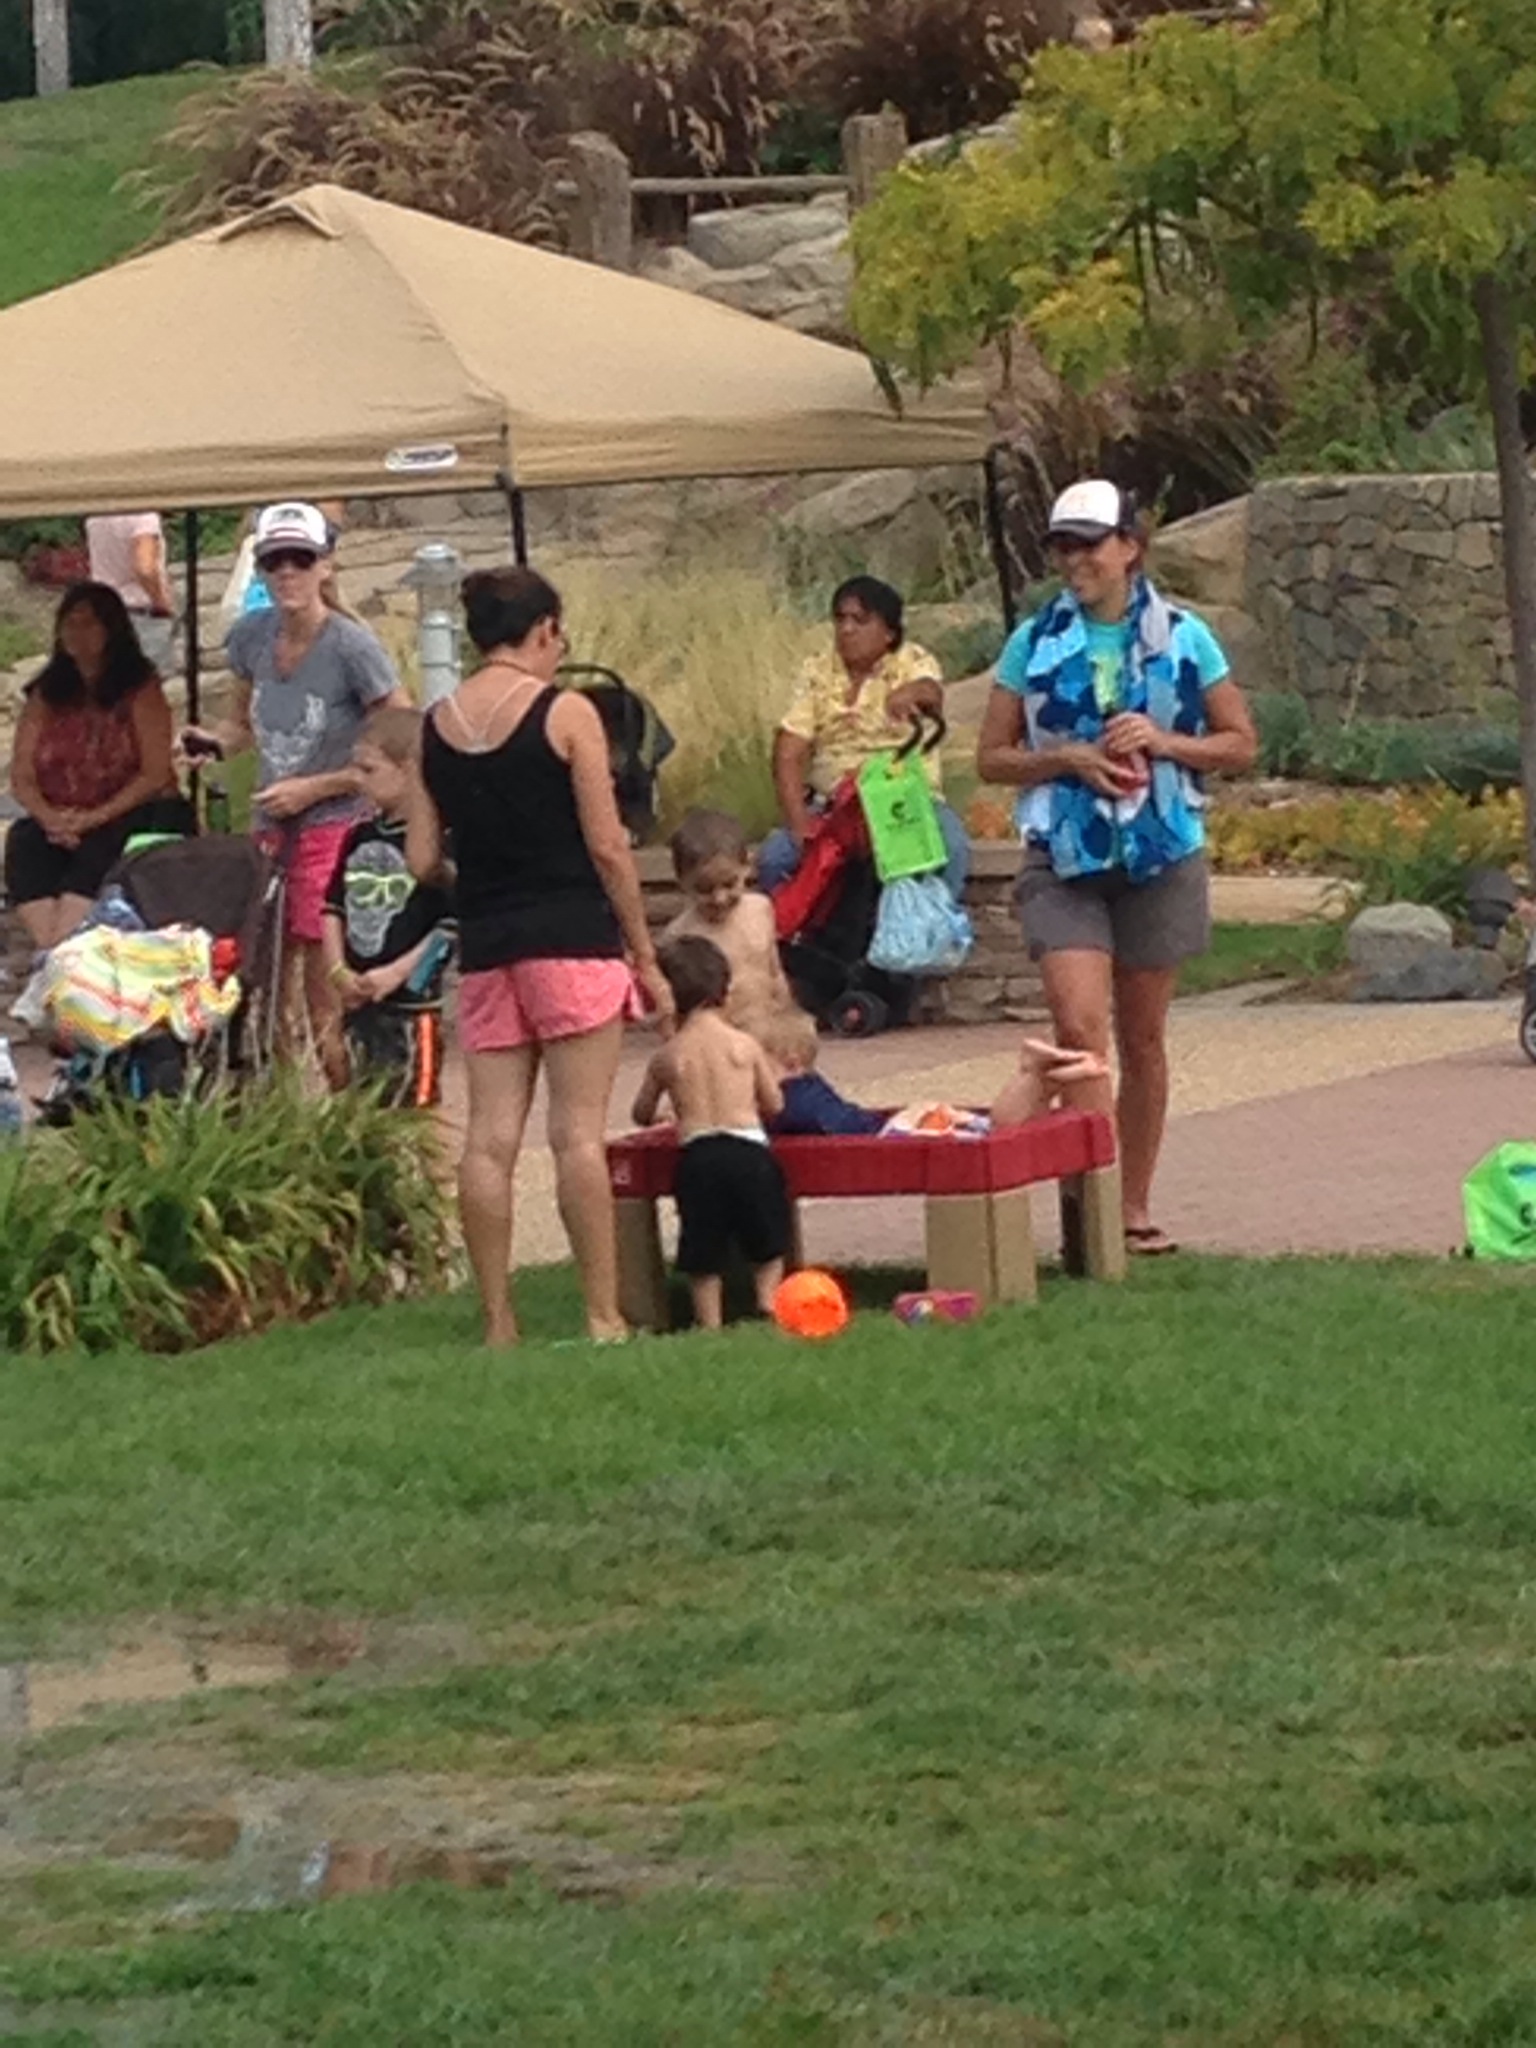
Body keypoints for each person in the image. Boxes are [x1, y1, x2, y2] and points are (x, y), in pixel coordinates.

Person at [976, 479, 1257, 1256]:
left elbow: (1240, 742)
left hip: (1160, 852)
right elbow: (991, 757)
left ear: (1130, 546)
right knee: (1079, 1030)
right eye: (1062, 546)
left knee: (1143, 1039)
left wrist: (1164, 743)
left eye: (1089, 544)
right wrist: (1065, 758)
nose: (1075, 560)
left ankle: (1130, 1206)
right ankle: (1089, 1207)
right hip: (1064, 856)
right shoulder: (1032, 642)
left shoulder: (1186, 636)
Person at [404, 565, 674, 1349]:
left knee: (489, 1139)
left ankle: (498, 1321)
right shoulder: (568, 713)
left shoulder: (435, 725)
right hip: (572, 936)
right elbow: (608, 846)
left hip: (490, 945)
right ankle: (601, 1315)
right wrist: (644, 951)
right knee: (577, 1134)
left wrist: (473, 880)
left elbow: (421, 858)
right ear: (545, 630)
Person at [181, 501, 411, 1090]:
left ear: (325, 566)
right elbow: (241, 726)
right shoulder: (252, 637)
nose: (287, 571)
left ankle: (346, 1101)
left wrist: (317, 787)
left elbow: (401, 741)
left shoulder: (352, 647)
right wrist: (211, 743)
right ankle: (288, 1107)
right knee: (267, 977)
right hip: (272, 824)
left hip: (335, 823)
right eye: (274, 560)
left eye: (300, 559)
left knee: (321, 984)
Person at [5, 582, 195, 951]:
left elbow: (154, 773)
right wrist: (50, 818)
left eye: (89, 623)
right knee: (25, 840)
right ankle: (52, 941)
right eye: (70, 623)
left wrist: (93, 818)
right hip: (63, 816)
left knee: (102, 847)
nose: (78, 633)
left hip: (130, 810)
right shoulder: (46, 692)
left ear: (111, 630)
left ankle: (64, 940)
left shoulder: (139, 688)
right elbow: (22, 775)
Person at [760, 576, 968, 902]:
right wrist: (799, 824)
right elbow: (788, 750)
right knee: (775, 859)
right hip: (835, 804)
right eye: (840, 619)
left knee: (951, 847)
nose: (846, 629)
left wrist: (911, 693)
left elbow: (931, 692)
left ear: (889, 633)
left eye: (860, 620)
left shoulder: (912, 660)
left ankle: (933, 927)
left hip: (905, 799)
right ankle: (793, 933)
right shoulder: (817, 670)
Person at [632, 935, 791, 1330]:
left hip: (699, 1154)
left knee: (703, 1244)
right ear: (725, 990)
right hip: (749, 1151)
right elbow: (774, 1103)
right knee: (767, 1236)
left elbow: (641, 1112)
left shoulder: (669, 1056)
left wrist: (664, 1115)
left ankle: (710, 1321)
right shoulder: (744, 1045)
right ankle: (767, 1303)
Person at [321, 706, 455, 1108]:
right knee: (358, 1103)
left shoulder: (437, 842)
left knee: (414, 1105)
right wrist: (338, 970)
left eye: (369, 770)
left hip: (412, 1005)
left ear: (409, 770)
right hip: (358, 996)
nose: (358, 780)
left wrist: (398, 973)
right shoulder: (358, 835)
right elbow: (332, 907)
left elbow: (450, 928)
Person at [664, 808, 794, 1028]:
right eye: (704, 889)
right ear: (682, 881)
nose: (720, 898)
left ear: (747, 867)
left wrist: (786, 1012)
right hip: (720, 1037)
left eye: (729, 884)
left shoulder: (760, 909)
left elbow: (775, 971)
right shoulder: (682, 935)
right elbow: (676, 1010)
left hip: (768, 1025)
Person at [85, 512, 178, 676]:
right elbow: (145, 569)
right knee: (146, 681)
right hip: (140, 614)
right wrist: (161, 601)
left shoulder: (96, 518)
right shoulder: (145, 519)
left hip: (103, 608)